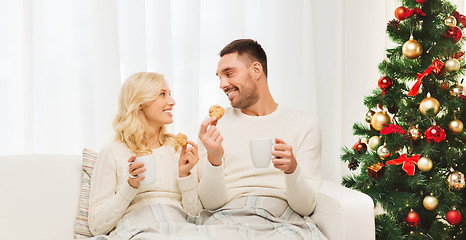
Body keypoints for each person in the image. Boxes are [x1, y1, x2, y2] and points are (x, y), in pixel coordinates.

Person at [197, 39, 327, 239]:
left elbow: (305, 206)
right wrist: (214, 159)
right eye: (219, 77)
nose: (222, 84)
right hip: (226, 218)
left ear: (256, 70)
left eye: (229, 73)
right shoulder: (214, 127)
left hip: (284, 219)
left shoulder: (303, 124)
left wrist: (292, 170)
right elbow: (210, 203)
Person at [88, 72, 206, 239]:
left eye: (170, 94)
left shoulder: (179, 151)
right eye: (162, 94)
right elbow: (97, 226)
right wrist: (130, 186)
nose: (172, 102)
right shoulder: (112, 152)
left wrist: (184, 176)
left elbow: (195, 216)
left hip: (180, 231)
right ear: (140, 102)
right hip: (137, 230)